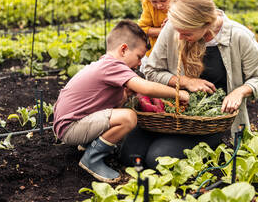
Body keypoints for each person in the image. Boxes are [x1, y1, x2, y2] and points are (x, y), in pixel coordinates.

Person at [119, 0, 258, 168]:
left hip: (211, 120)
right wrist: (186, 81)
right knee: (130, 156)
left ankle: (213, 145)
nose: (179, 36)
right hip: (170, 113)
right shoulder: (175, 28)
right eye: (177, 30)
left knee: (156, 160)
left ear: (206, 24)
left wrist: (238, 92)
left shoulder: (239, 37)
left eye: (187, 33)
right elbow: (151, 71)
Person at [53, 20, 189, 183]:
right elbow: (145, 88)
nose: (140, 63)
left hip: (70, 124)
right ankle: (91, 159)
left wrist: (125, 96)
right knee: (128, 117)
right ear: (124, 49)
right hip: (71, 127)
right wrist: (178, 93)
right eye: (139, 57)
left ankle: (88, 144)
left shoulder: (105, 64)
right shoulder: (113, 65)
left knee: (122, 108)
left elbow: (112, 103)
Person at [137, 0, 180, 72]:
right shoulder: (148, 5)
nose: (159, 5)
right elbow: (142, 28)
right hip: (154, 52)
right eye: (154, 1)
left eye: (163, 0)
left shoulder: (181, 3)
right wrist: (164, 31)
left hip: (177, 52)